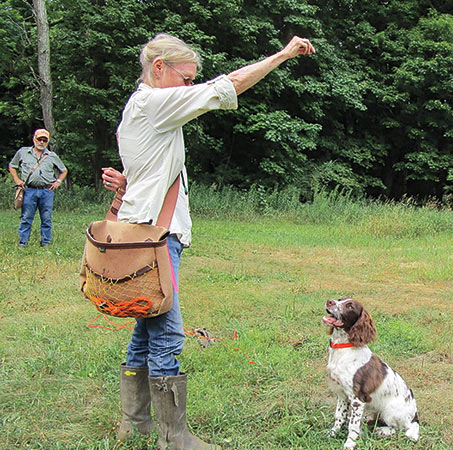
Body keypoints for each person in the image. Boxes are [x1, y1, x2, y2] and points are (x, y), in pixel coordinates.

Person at [101, 33, 315, 449]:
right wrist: (283, 55)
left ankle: (135, 423)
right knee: (167, 333)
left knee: (146, 328)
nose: (189, 87)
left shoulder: (139, 107)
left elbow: (145, 168)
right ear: (159, 68)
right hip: (156, 236)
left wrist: (128, 183)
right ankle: (173, 436)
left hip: (143, 230)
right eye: (185, 78)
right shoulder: (154, 102)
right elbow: (227, 86)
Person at [9, 129, 68, 248]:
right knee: (26, 217)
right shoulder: (23, 152)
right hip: (29, 190)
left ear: (47, 142)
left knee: (46, 217)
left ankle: (46, 242)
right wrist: (17, 180)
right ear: (34, 139)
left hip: (47, 191)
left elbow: (64, 170)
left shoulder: (52, 156)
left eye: (44, 140)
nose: (41, 142)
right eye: (39, 139)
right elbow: (12, 166)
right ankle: (23, 242)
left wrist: (58, 182)